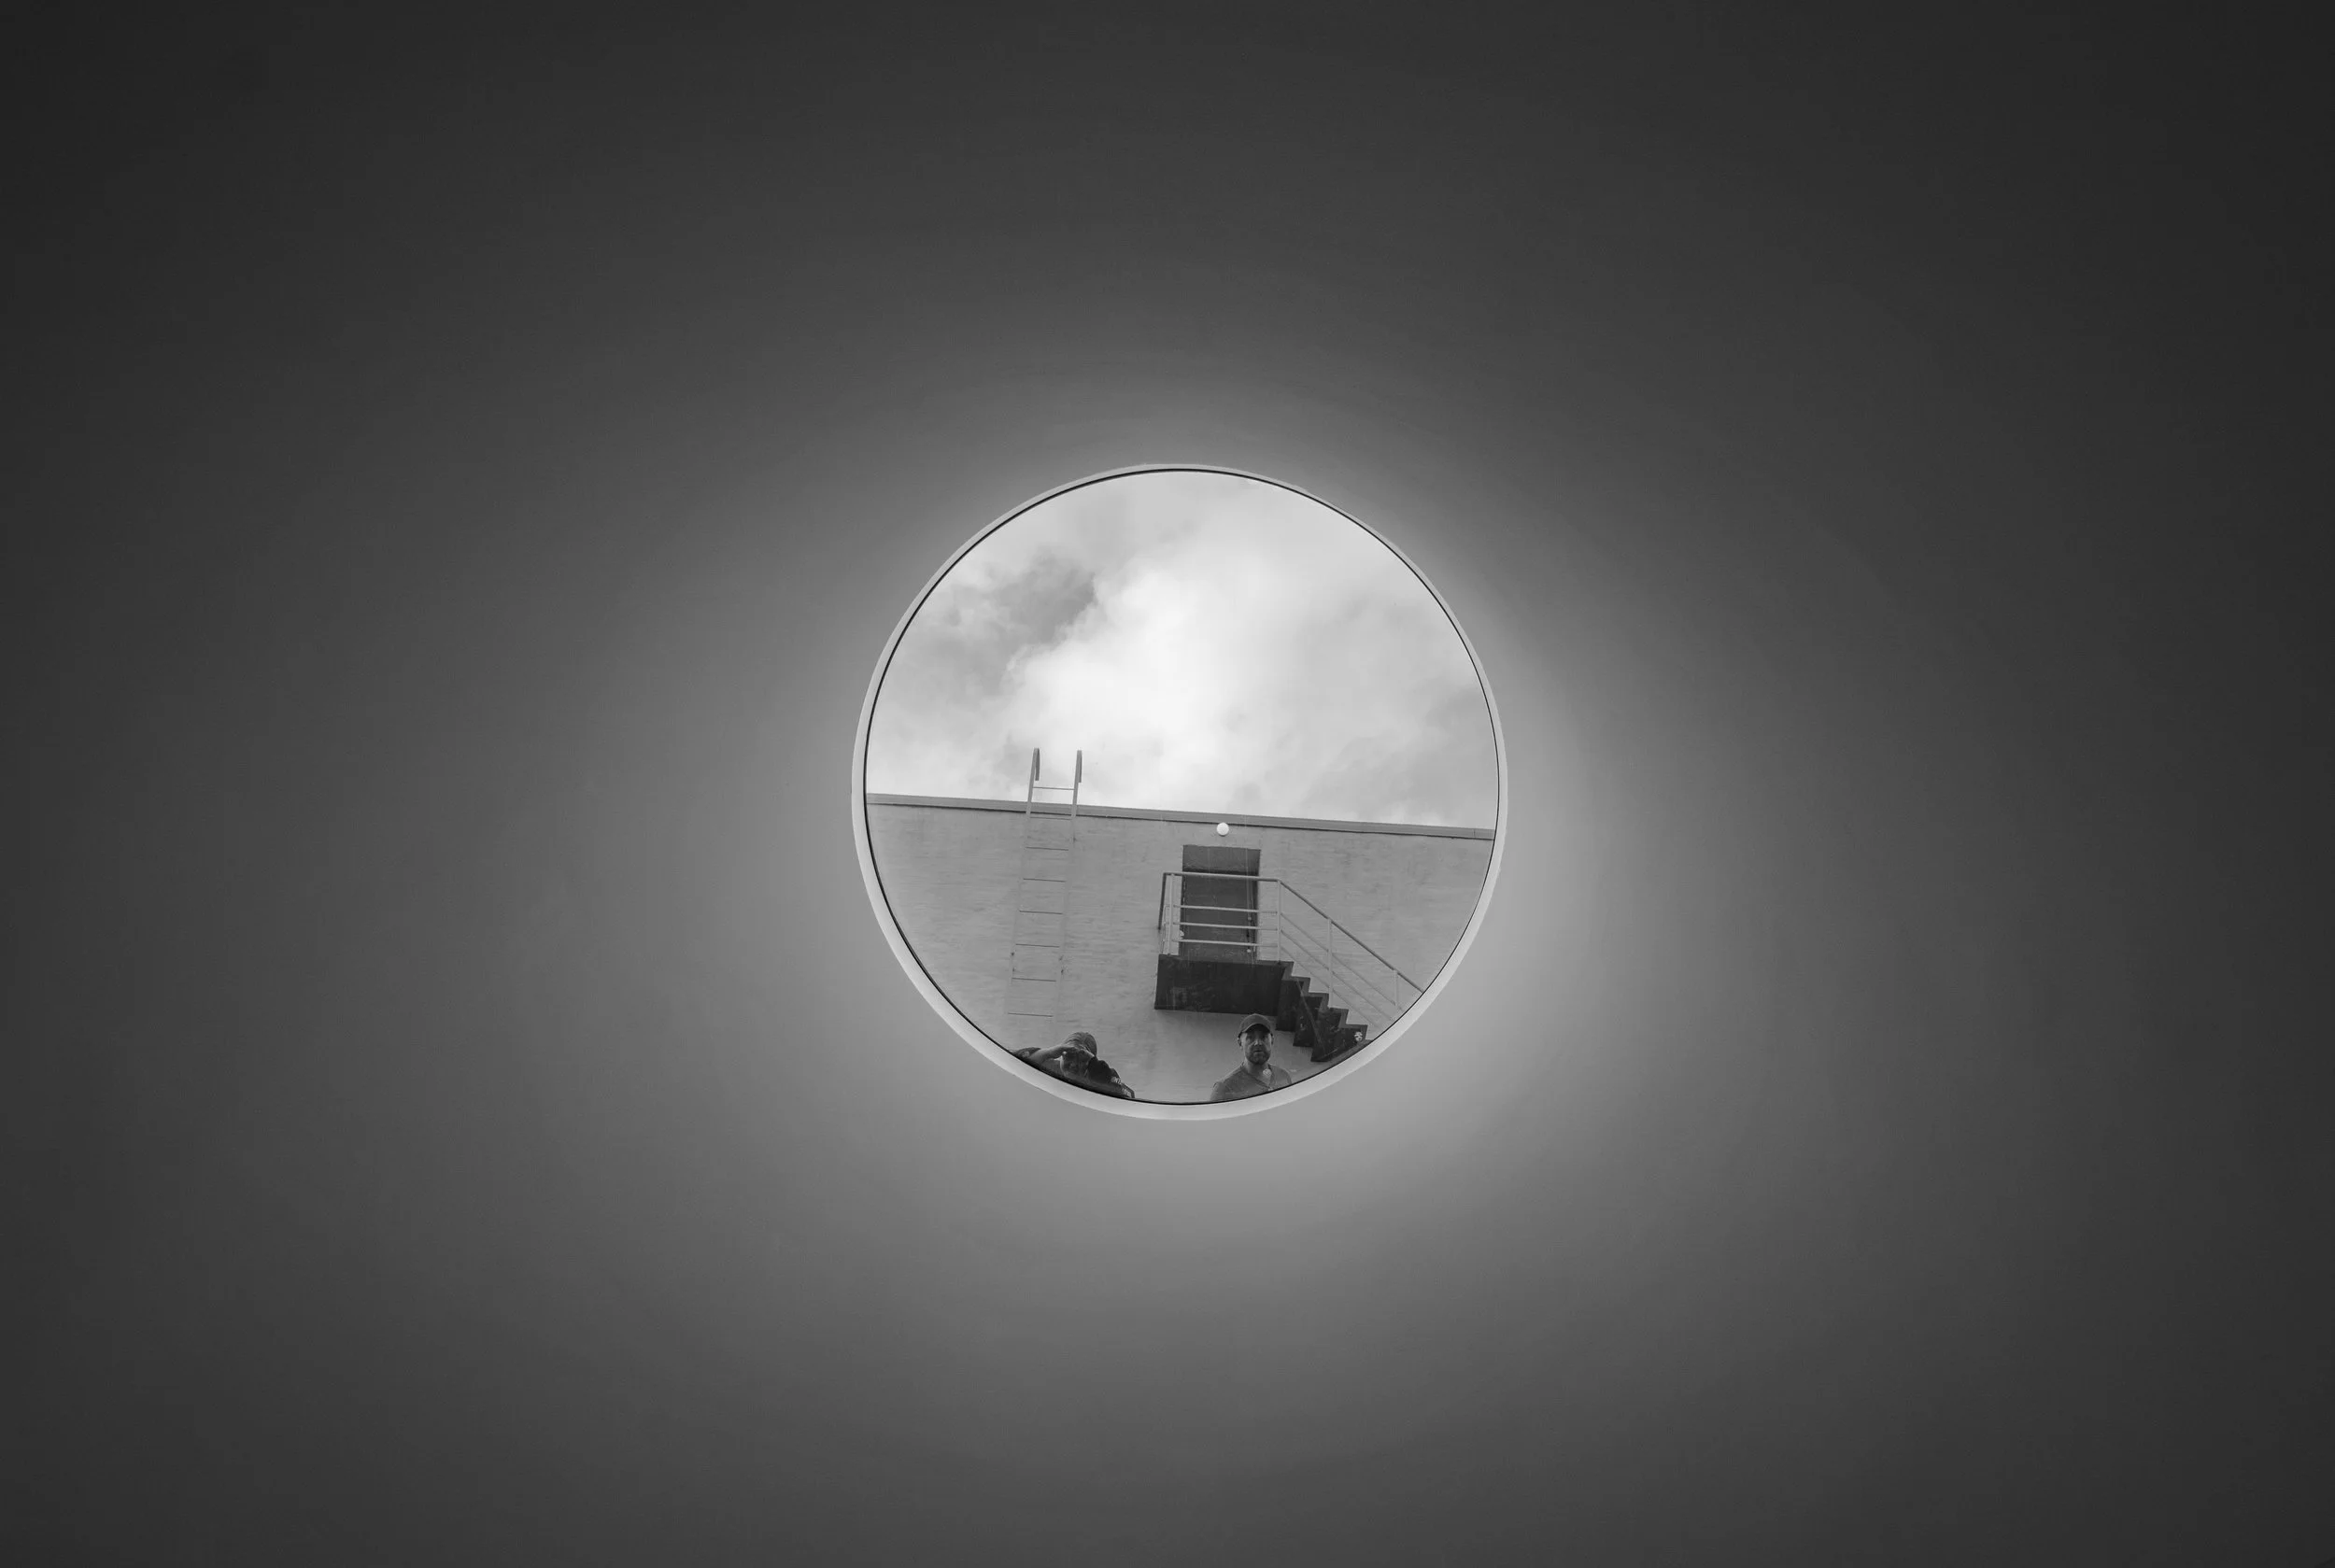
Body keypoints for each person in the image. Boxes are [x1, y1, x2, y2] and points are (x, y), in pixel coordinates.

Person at [1015, 1030, 1136, 1100]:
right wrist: (1049, 1052)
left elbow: (1129, 1096)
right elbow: (1014, 1062)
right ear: (1061, 1053)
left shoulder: (1099, 1077)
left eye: (1082, 1060)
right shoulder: (1046, 1065)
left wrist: (1096, 1065)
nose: (1073, 1064)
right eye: (1069, 1056)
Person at [1208, 1013, 1293, 1102]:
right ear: (1240, 1043)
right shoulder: (1225, 1089)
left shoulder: (1283, 1077)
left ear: (1272, 1040)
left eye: (1263, 1037)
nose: (1258, 1043)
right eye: (1250, 1038)